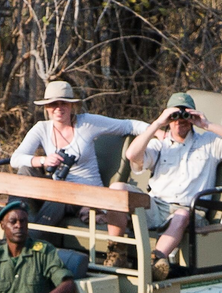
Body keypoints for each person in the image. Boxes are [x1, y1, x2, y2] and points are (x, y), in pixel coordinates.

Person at [105, 92, 222, 281]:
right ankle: (117, 253)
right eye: (173, 116)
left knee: (182, 215)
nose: (179, 121)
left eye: (184, 115)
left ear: (192, 117)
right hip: (156, 206)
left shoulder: (208, 142)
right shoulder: (160, 145)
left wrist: (206, 124)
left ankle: (155, 261)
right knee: (117, 188)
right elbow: (132, 155)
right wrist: (158, 123)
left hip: (190, 211)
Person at [9, 79, 144, 225]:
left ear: (71, 105)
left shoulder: (86, 123)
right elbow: (15, 159)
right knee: (26, 170)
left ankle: (33, 238)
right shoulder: (41, 128)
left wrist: (158, 131)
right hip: (58, 189)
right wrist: (43, 160)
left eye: (64, 103)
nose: (58, 108)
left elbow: (127, 125)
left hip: (87, 194)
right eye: (53, 104)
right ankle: (13, 223)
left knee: (58, 198)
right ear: (46, 107)